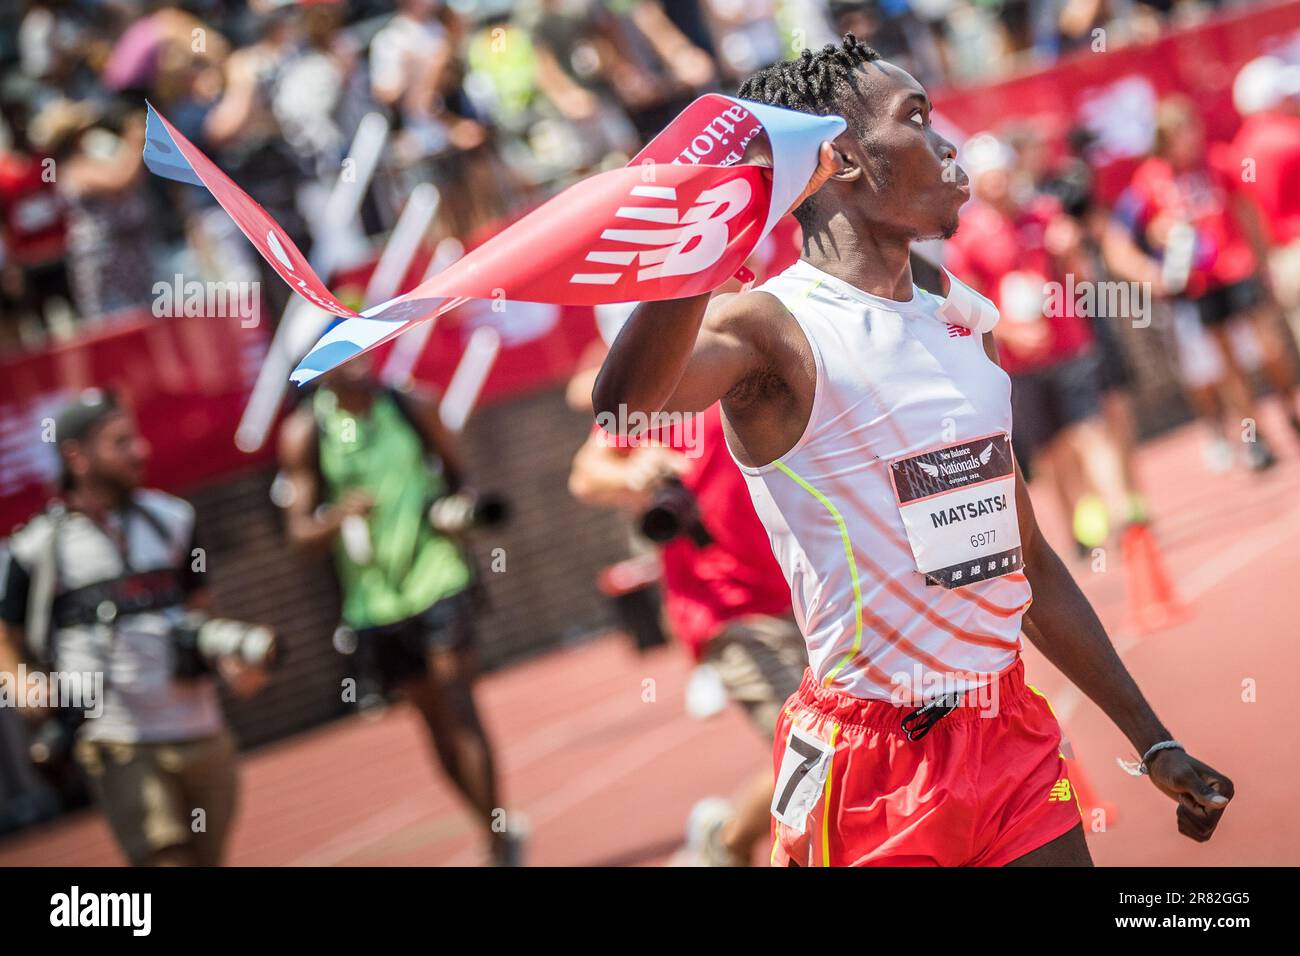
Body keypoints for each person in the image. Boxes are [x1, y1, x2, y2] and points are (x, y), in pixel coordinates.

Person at [593, 36, 1233, 866]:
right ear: (844, 161)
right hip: (870, 764)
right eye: (917, 119)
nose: (948, 145)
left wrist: (1153, 742)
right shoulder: (768, 326)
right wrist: (704, 236)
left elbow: (1027, 563)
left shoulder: (964, 321)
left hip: (1009, 736)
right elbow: (624, 407)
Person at [0, 390, 270, 865]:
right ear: (76, 456)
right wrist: (22, 685)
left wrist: (230, 659)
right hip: (117, 738)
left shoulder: (173, 519)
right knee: (163, 857)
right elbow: (7, 635)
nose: (139, 451)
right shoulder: (38, 547)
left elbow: (201, 607)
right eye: (120, 442)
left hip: (200, 726)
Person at [276, 356, 521, 866]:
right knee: (434, 724)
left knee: (460, 705)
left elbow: (462, 478)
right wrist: (339, 515)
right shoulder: (306, 433)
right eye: (346, 357)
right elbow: (298, 536)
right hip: (376, 601)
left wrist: (459, 512)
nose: (360, 364)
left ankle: (497, 842)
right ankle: (490, 825)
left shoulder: (412, 404)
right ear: (322, 367)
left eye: (367, 350)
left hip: (438, 575)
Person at [570, 401, 805, 866]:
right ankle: (731, 841)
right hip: (727, 609)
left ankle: (727, 836)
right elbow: (585, 473)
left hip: (812, 590)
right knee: (813, 757)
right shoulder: (659, 384)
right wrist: (632, 470)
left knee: (833, 753)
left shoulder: (774, 344)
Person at [1105, 96, 1300, 471]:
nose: (1189, 139)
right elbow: (1125, 237)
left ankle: (1290, 407)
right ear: (1165, 137)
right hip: (1199, 282)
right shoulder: (1151, 179)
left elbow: (1246, 208)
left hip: (1237, 267)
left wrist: (1263, 259)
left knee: (1271, 347)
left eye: (1192, 129)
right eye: (1180, 133)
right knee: (1228, 363)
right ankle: (1254, 436)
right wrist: (1151, 266)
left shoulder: (1218, 160)